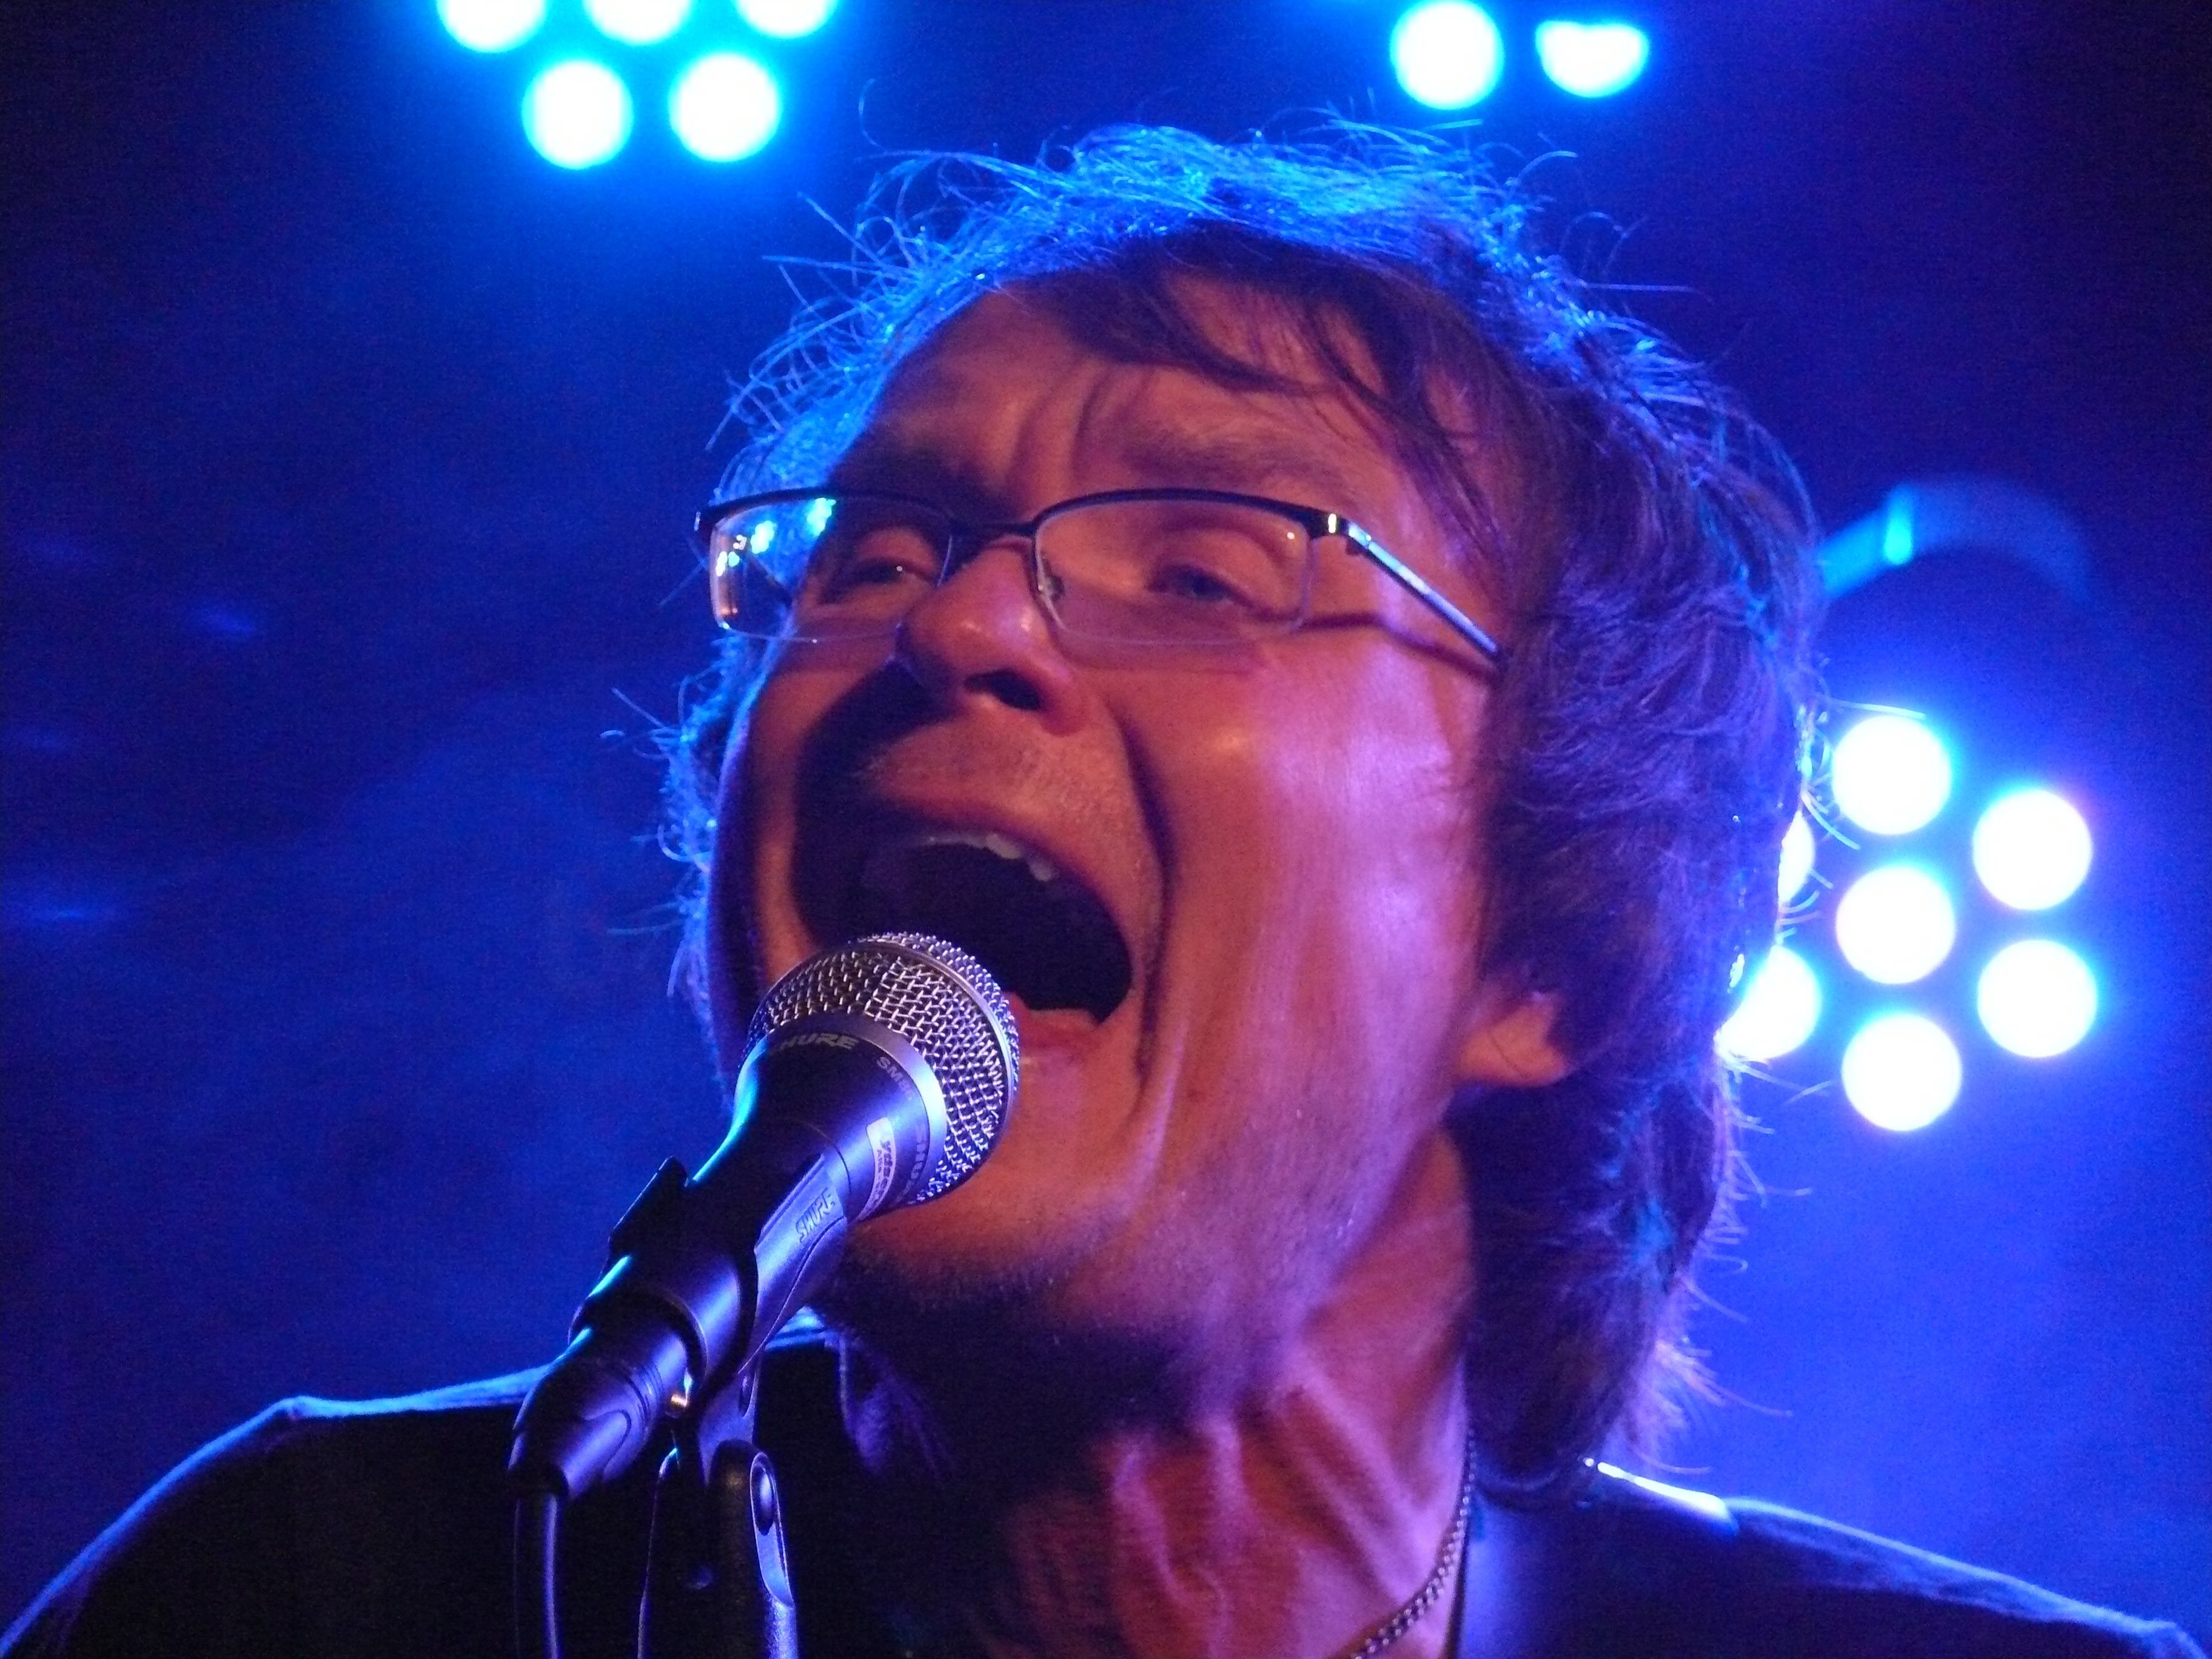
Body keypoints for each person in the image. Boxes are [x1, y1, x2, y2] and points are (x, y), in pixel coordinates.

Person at [6, 126, 2200, 1659]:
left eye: (1209, 574)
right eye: (870, 555)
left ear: (1561, 944)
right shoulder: (301, 1598)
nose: (956, 627)